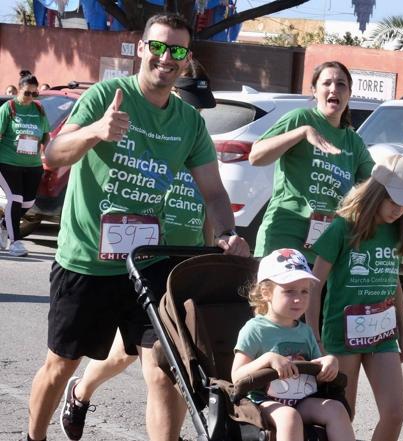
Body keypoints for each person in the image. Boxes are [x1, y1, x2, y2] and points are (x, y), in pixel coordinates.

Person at [26, 13, 248, 441]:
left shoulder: (189, 123)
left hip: (150, 262)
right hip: (88, 260)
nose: (167, 58)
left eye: (178, 51)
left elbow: (215, 193)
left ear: (186, 60)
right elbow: (53, 155)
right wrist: (95, 131)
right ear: (143, 48)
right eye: (159, 47)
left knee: (167, 371)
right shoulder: (107, 95)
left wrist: (224, 232)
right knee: (61, 365)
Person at [58, 57, 216, 441]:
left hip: (179, 262)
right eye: (190, 101)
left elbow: (210, 203)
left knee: (165, 366)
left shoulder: (193, 138)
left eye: (201, 105)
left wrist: (210, 252)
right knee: (128, 357)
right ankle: (80, 391)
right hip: (134, 256)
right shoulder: (142, 132)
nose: (195, 111)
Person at [307, 153, 403, 441]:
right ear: (376, 192)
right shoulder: (341, 228)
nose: (400, 209)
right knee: (344, 414)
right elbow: (313, 285)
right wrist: (314, 339)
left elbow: (392, 283)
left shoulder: (397, 229)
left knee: (395, 413)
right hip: (341, 336)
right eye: (394, 200)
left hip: (383, 335)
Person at [249, 60, 374, 262]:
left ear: (349, 93)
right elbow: (256, 156)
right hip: (284, 236)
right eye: (327, 83)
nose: (334, 89)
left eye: (341, 84)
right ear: (314, 91)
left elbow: (372, 185)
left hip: (324, 246)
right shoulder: (300, 118)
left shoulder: (354, 142)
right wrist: (302, 133)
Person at [232, 248, 355, 441]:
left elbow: (316, 372)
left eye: (304, 291)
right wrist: (268, 359)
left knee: (336, 409)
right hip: (263, 401)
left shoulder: (305, 331)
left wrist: (329, 363)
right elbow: (236, 377)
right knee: (289, 417)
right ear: (266, 292)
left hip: (302, 399)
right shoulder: (255, 329)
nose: (299, 298)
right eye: (289, 291)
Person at [0, 70, 50, 257]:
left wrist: (49, 150)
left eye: (34, 93)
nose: (31, 97)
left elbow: (46, 134)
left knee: (28, 202)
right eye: (27, 93)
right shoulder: (9, 108)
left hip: (32, 164)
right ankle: (15, 242)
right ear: (19, 89)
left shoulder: (38, 109)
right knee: (15, 198)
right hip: (7, 162)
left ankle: (5, 225)